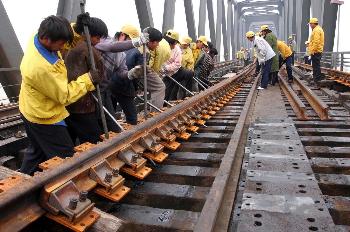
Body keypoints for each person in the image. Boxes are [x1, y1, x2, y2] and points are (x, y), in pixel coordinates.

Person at [19, 15, 101, 175]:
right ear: (47, 40)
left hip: (29, 106)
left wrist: (78, 30)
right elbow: (65, 95)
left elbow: (65, 36)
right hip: (43, 116)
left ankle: (21, 184)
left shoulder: (39, 36)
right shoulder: (40, 68)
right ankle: (67, 190)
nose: (64, 46)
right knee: (65, 157)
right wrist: (88, 79)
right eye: (61, 44)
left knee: (37, 151)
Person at [64, 14, 108, 144]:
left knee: (71, 138)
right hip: (84, 104)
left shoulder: (70, 47)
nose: (99, 41)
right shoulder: (89, 50)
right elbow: (100, 76)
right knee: (92, 139)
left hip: (68, 102)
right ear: (89, 34)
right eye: (97, 37)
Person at [96, 24, 143, 126]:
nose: (131, 45)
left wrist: (130, 74)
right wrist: (138, 41)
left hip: (103, 88)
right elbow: (112, 47)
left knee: (111, 122)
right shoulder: (105, 41)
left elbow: (122, 72)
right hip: (91, 87)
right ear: (122, 35)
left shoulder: (121, 55)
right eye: (129, 41)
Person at [308, 18, 324, 82]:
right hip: (316, 50)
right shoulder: (317, 29)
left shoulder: (316, 30)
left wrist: (312, 51)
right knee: (316, 66)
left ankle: (317, 80)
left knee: (316, 66)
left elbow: (316, 42)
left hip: (316, 51)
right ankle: (316, 79)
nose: (310, 25)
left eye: (310, 24)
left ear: (313, 23)